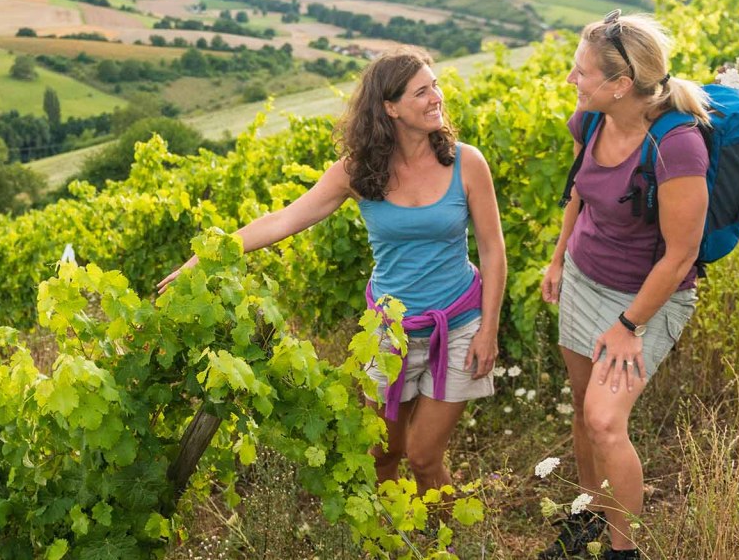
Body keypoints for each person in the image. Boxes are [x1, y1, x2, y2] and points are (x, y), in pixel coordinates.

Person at [157, 46, 507, 507]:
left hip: (459, 325)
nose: (436, 97)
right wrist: (205, 257)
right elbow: (282, 221)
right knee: (383, 454)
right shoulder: (358, 172)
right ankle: (396, 543)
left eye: (436, 85)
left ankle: (443, 543)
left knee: (423, 456)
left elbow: (492, 249)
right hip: (389, 333)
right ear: (390, 107)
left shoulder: (467, 162)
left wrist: (489, 328)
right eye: (422, 91)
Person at [537, 11, 711, 560]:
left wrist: (629, 325)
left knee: (605, 421)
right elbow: (578, 193)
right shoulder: (590, 120)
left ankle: (622, 551)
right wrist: (559, 258)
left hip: (647, 298)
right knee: (583, 409)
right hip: (585, 279)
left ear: (620, 85)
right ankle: (588, 514)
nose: (572, 80)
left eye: (582, 72)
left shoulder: (677, 147)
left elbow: (681, 254)